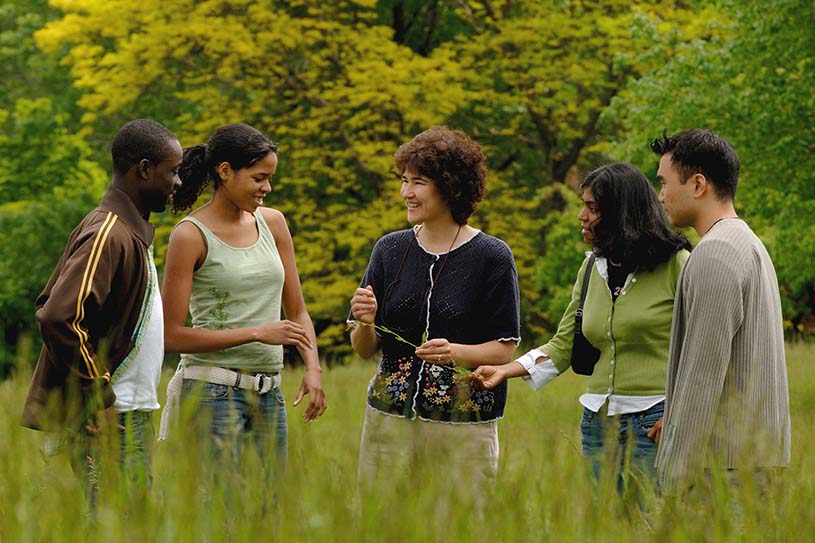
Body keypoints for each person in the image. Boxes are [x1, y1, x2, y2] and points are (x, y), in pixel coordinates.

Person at [476, 163, 691, 495]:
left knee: (653, 524)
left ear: (621, 212)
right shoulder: (592, 267)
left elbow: (704, 346)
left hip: (656, 423)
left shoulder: (677, 264)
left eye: (592, 208)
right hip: (598, 425)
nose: (581, 216)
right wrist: (506, 370)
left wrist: (683, 414)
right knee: (605, 525)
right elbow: (563, 345)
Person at [348, 126, 521, 502]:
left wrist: (454, 352)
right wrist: (364, 321)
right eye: (404, 181)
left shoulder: (492, 256)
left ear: (450, 187)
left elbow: (504, 350)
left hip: (462, 429)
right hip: (387, 424)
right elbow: (364, 349)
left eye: (418, 182)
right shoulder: (388, 250)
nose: (406, 192)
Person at [21, 119, 183, 502]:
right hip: (114, 418)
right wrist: (100, 396)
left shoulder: (129, 229)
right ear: (143, 169)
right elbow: (58, 315)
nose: (177, 182)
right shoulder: (108, 232)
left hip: (129, 411)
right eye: (172, 172)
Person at [161, 123, 326, 474]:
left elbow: (297, 311)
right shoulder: (190, 236)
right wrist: (256, 333)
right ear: (225, 172)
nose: (267, 188)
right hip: (213, 394)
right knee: (222, 512)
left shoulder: (274, 223)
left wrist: (313, 368)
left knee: (270, 512)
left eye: (269, 178)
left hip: (269, 394)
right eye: (258, 178)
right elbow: (171, 335)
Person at [650, 129, 791, 495]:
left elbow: (702, 373)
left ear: (698, 184)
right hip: (751, 460)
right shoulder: (748, 243)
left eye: (664, 183)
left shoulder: (716, 253)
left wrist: (672, 477)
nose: (660, 196)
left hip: (720, 470)